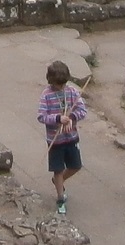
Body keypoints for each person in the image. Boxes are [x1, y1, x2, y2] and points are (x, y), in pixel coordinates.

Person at [36, 60, 87, 216]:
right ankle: (60, 197)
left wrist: (71, 117)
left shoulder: (71, 91)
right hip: (55, 140)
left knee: (76, 166)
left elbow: (82, 110)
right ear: (51, 80)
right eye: (58, 84)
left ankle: (59, 181)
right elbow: (41, 116)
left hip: (71, 138)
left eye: (63, 83)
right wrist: (58, 119)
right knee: (57, 169)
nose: (61, 87)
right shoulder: (46, 95)